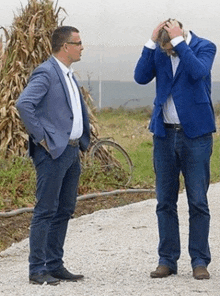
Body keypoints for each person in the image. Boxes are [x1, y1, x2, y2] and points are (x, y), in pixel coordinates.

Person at [134, 19, 216, 280]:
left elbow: (198, 72)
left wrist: (179, 44)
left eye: (168, 46)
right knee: (165, 201)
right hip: (164, 134)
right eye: (164, 47)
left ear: (180, 36)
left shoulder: (205, 46)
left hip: (196, 135)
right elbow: (140, 77)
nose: (166, 52)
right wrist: (151, 41)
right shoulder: (159, 49)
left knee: (198, 201)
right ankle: (167, 260)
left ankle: (200, 260)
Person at [16, 26, 90, 285]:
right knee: (46, 210)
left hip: (72, 151)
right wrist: (43, 139)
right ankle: (37, 270)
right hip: (54, 153)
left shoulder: (69, 75)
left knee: (64, 209)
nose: (82, 47)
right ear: (65, 46)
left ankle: (55, 265)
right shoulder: (46, 72)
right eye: (78, 43)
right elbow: (24, 104)